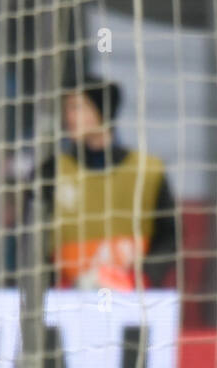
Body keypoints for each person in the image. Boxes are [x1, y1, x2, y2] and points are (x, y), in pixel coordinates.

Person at [40, 75, 178, 290]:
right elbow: (34, 239)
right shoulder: (52, 171)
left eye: (78, 108)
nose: (69, 117)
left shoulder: (148, 171)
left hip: (131, 297)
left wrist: (141, 278)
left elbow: (170, 237)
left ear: (101, 113)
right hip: (67, 299)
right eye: (67, 109)